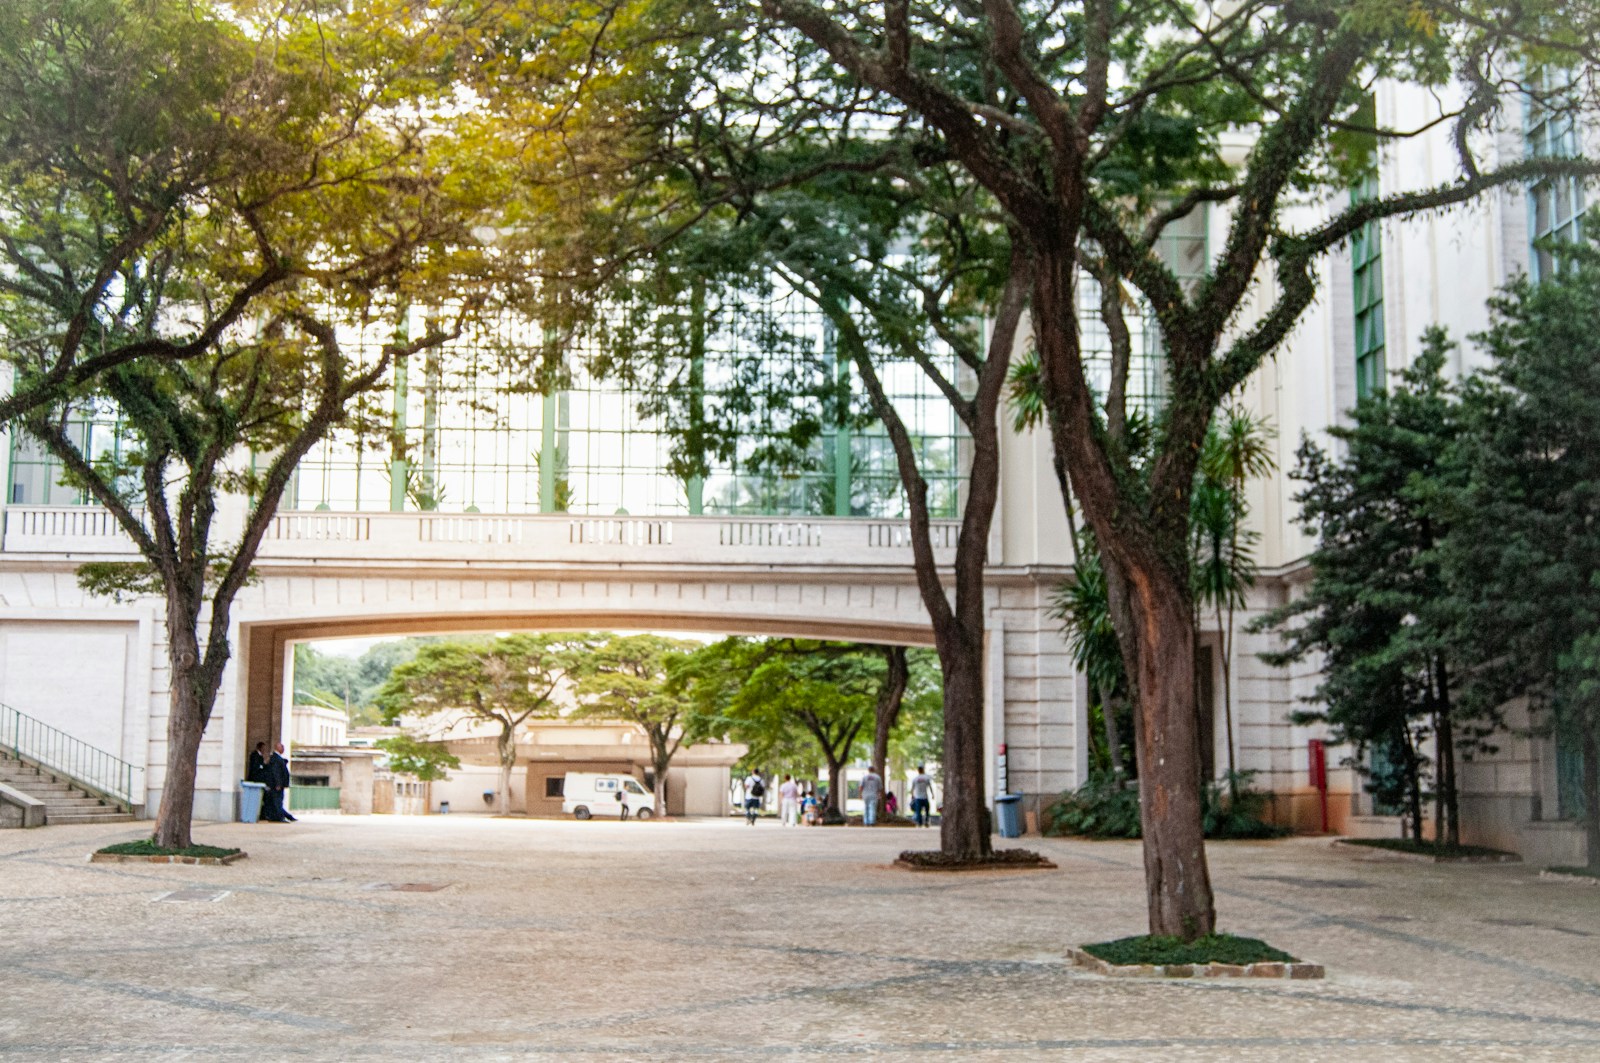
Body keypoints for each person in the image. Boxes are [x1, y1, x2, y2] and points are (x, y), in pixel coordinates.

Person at [264, 741, 296, 823]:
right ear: (278, 748)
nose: (284, 749)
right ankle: (280, 817)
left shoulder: (277, 758)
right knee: (277, 801)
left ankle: (277, 816)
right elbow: (276, 772)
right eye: (282, 747)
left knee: (276, 801)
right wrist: (278, 783)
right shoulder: (276, 758)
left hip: (276, 785)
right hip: (276, 785)